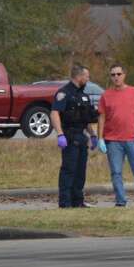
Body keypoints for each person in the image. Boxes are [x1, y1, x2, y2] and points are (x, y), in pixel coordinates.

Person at [96, 64, 134, 208]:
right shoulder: (106, 95)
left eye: (118, 74)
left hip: (132, 139)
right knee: (116, 172)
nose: (116, 77)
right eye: (113, 75)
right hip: (112, 141)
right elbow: (101, 118)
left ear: (124, 75)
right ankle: (120, 201)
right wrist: (100, 138)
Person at [50, 64, 99, 209]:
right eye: (86, 76)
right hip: (69, 137)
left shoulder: (83, 95)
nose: (88, 79)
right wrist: (60, 134)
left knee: (80, 172)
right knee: (68, 170)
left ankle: (78, 201)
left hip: (81, 137)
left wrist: (93, 135)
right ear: (79, 76)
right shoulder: (64, 93)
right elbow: (54, 113)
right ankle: (65, 202)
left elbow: (85, 119)